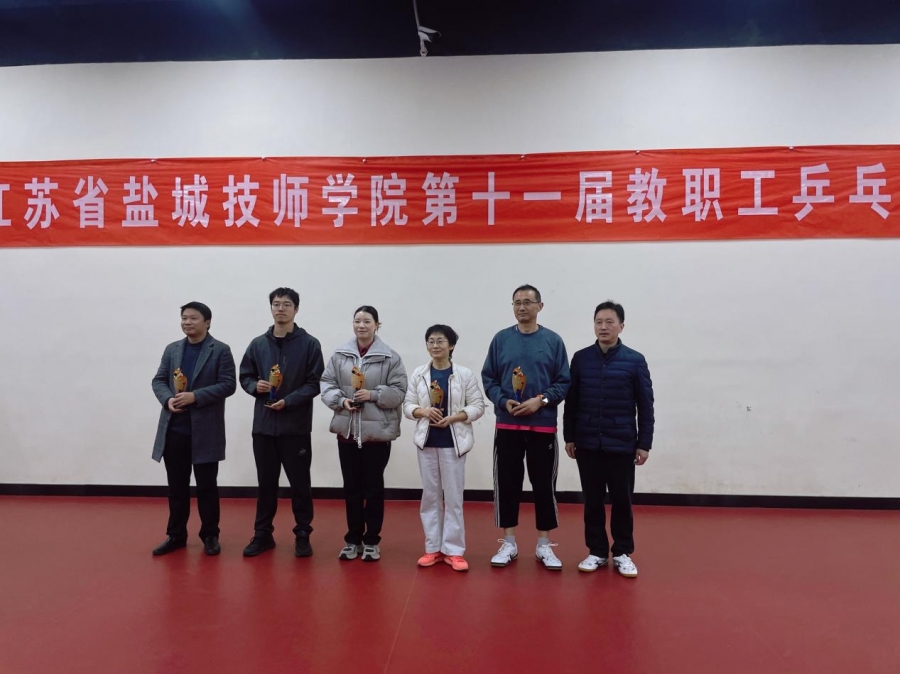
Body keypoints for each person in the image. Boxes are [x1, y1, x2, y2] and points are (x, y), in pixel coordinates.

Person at [481, 284, 571, 570]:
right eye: (517, 302)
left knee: (544, 485)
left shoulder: (553, 341)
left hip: (542, 427)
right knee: (507, 483)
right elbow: (489, 378)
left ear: (540, 306)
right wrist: (503, 401)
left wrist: (541, 401)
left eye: (528, 302)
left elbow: (563, 382)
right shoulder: (501, 339)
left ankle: (544, 544)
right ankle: (508, 542)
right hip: (508, 425)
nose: (522, 307)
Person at [563, 300, 655, 578]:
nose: (603, 327)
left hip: (622, 443)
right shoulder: (581, 358)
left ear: (621, 326)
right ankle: (597, 551)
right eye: (598, 322)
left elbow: (646, 405)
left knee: (622, 501)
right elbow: (571, 401)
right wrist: (569, 436)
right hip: (588, 441)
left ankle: (623, 552)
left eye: (609, 322)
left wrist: (644, 443)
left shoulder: (635, 360)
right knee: (592, 501)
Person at [239, 287, 325, 558]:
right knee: (265, 484)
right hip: (264, 427)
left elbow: (315, 383)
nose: (281, 308)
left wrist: (289, 401)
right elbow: (245, 376)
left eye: (287, 304)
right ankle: (262, 534)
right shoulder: (258, 344)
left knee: (300, 484)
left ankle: (303, 534)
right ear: (271, 308)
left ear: (296, 309)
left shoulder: (309, 344)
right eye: (276, 304)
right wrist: (255, 386)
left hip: (295, 427)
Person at [320, 305, 408, 562]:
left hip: (376, 434)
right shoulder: (340, 356)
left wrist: (373, 395)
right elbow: (326, 384)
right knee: (351, 489)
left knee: (373, 489)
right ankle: (352, 539)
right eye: (357, 321)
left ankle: (371, 541)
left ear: (377, 325)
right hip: (347, 432)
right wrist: (341, 401)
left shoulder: (390, 358)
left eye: (367, 321)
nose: (361, 325)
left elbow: (399, 392)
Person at [150, 301, 236, 556]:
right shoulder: (172, 349)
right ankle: (176, 535)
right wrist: (167, 399)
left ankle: (210, 535)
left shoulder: (220, 350)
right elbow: (158, 380)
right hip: (174, 430)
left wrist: (195, 396)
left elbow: (228, 384)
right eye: (184, 318)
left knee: (207, 487)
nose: (187, 322)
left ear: (207, 322)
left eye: (193, 318)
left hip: (205, 431)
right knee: (176, 488)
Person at [403, 324, 486, 572]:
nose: (435, 345)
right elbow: (407, 405)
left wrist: (455, 417)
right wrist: (423, 411)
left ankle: (454, 551)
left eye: (440, 341)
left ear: (451, 346)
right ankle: (433, 548)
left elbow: (478, 405)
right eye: (431, 341)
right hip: (427, 443)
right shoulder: (419, 374)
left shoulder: (464, 374)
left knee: (453, 498)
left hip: (453, 443)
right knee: (430, 497)